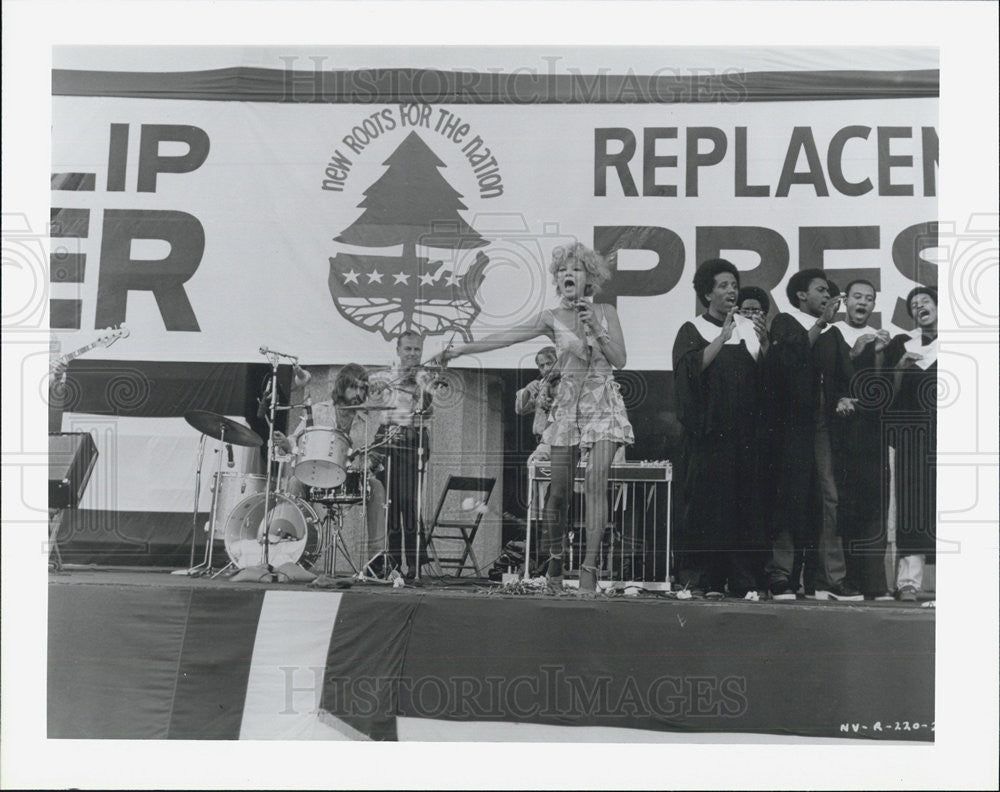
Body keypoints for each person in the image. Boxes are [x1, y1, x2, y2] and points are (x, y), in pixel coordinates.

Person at [431, 242, 633, 594]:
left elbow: (620, 359)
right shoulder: (549, 318)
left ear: (590, 278)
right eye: (563, 270)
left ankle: (588, 570)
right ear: (558, 279)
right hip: (568, 406)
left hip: (603, 401)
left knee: (597, 483)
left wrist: (595, 329)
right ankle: (555, 562)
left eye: (577, 269)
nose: (569, 274)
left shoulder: (605, 311)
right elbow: (505, 337)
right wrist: (461, 348)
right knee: (558, 494)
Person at [763, 269, 863, 601]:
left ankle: (830, 579)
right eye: (821, 289)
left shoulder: (833, 333)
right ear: (801, 295)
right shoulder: (786, 323)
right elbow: (784, 365)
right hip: (790, 425)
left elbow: (843, 378)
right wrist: (820, 323)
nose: (827, 294)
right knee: (789, 493)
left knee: (830, 498)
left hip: (823, 426)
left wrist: (844, 396)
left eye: (828, 291)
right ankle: (781, 575)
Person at [672, 260, 770, 599]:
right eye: (724, 285)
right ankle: (702, 580)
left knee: (745, 507)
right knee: (705, 507)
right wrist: (722, 337)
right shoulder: (692, 329)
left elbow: (765, 380)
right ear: (707, 292)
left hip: (745, 439)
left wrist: (764, 344)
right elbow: (689, 372)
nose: (732, 291)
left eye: (734, 284)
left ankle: (743, 580)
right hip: (708, 438)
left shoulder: (750, 328)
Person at [822, 279, 894, 599]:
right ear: (845, 301)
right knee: (847, 506)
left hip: (873, 432)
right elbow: (829, 381)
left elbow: (883, 389)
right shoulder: (832, 334)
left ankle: (875, 583)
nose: (862, 302)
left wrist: (882, 356)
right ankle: (845, 580)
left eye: (868, 298)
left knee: (875, 503)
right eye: (857, 297)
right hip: (843, 434)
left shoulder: (882, 338)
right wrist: (857, 352)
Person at [883, 286, 938, 602]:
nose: (920, 307)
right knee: (913, 506)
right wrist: (901, 365)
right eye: (914, 305)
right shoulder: (902, 344)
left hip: (950, 435)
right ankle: (909, 582)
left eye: (925, 302)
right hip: (912, 436)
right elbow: (888, 392)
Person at [367, 331, 434, 578]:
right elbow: (372, 400)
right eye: (408, 349)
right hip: (386, 436)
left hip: (412, 436)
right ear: (398, 350)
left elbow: (427, 413)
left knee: (408, 500)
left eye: (417, 350)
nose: (412, 354)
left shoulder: (425, 377)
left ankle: (415, 563)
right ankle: (392, 564)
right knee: (389, 501)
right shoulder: (386, 375)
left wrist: (420, 387)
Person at [515, 345, 559, 463]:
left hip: (563, 441)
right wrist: (528, 391)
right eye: (541, 366)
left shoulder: (570, 382)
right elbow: (520, 409)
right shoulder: (540, 385)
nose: (546, 368)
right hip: (543, 442)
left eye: (550, 363)